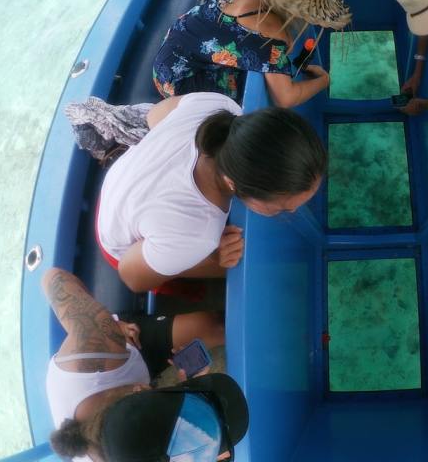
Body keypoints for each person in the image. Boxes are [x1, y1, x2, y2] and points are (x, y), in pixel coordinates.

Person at [97, 91, 327, 292]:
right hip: (115, 239)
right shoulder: (198, 234)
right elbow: (131, 277)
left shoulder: (219, 107)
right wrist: (212, 258)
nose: (295, 210)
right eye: (284, 207)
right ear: (236, 185)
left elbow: (154, 114)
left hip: (119, 180)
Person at [42, 268, 245, 461]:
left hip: (126, 345)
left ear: (140, 389)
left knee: (216, 327)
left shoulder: (96, 346)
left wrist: (105, 322)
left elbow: (51, 277)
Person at [153, 0, 351, 107]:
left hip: (173, 52)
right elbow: (286, 98)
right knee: (239, 108)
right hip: (182, 85)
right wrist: (324, 80)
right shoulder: (271, 32)